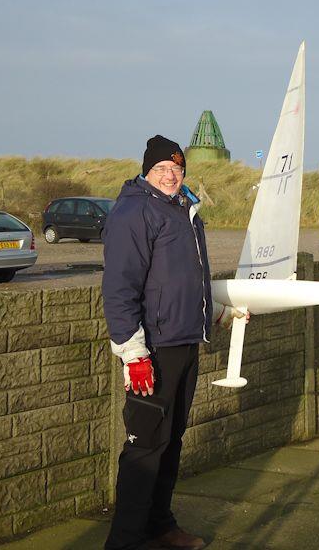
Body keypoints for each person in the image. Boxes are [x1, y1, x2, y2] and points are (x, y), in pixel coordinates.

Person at [102, 135, 243, 550]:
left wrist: (220, 313)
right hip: (153, 349)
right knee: (144, 446)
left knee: (171, 440)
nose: (170, 175)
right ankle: (125, 540)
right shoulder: (134, 212)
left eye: (177, 169)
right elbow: (119, 288)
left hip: (185, 342)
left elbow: (188, 280)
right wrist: (133, 353)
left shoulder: (183, 209)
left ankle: (159, 525)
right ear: (147, 171)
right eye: (162, 168)